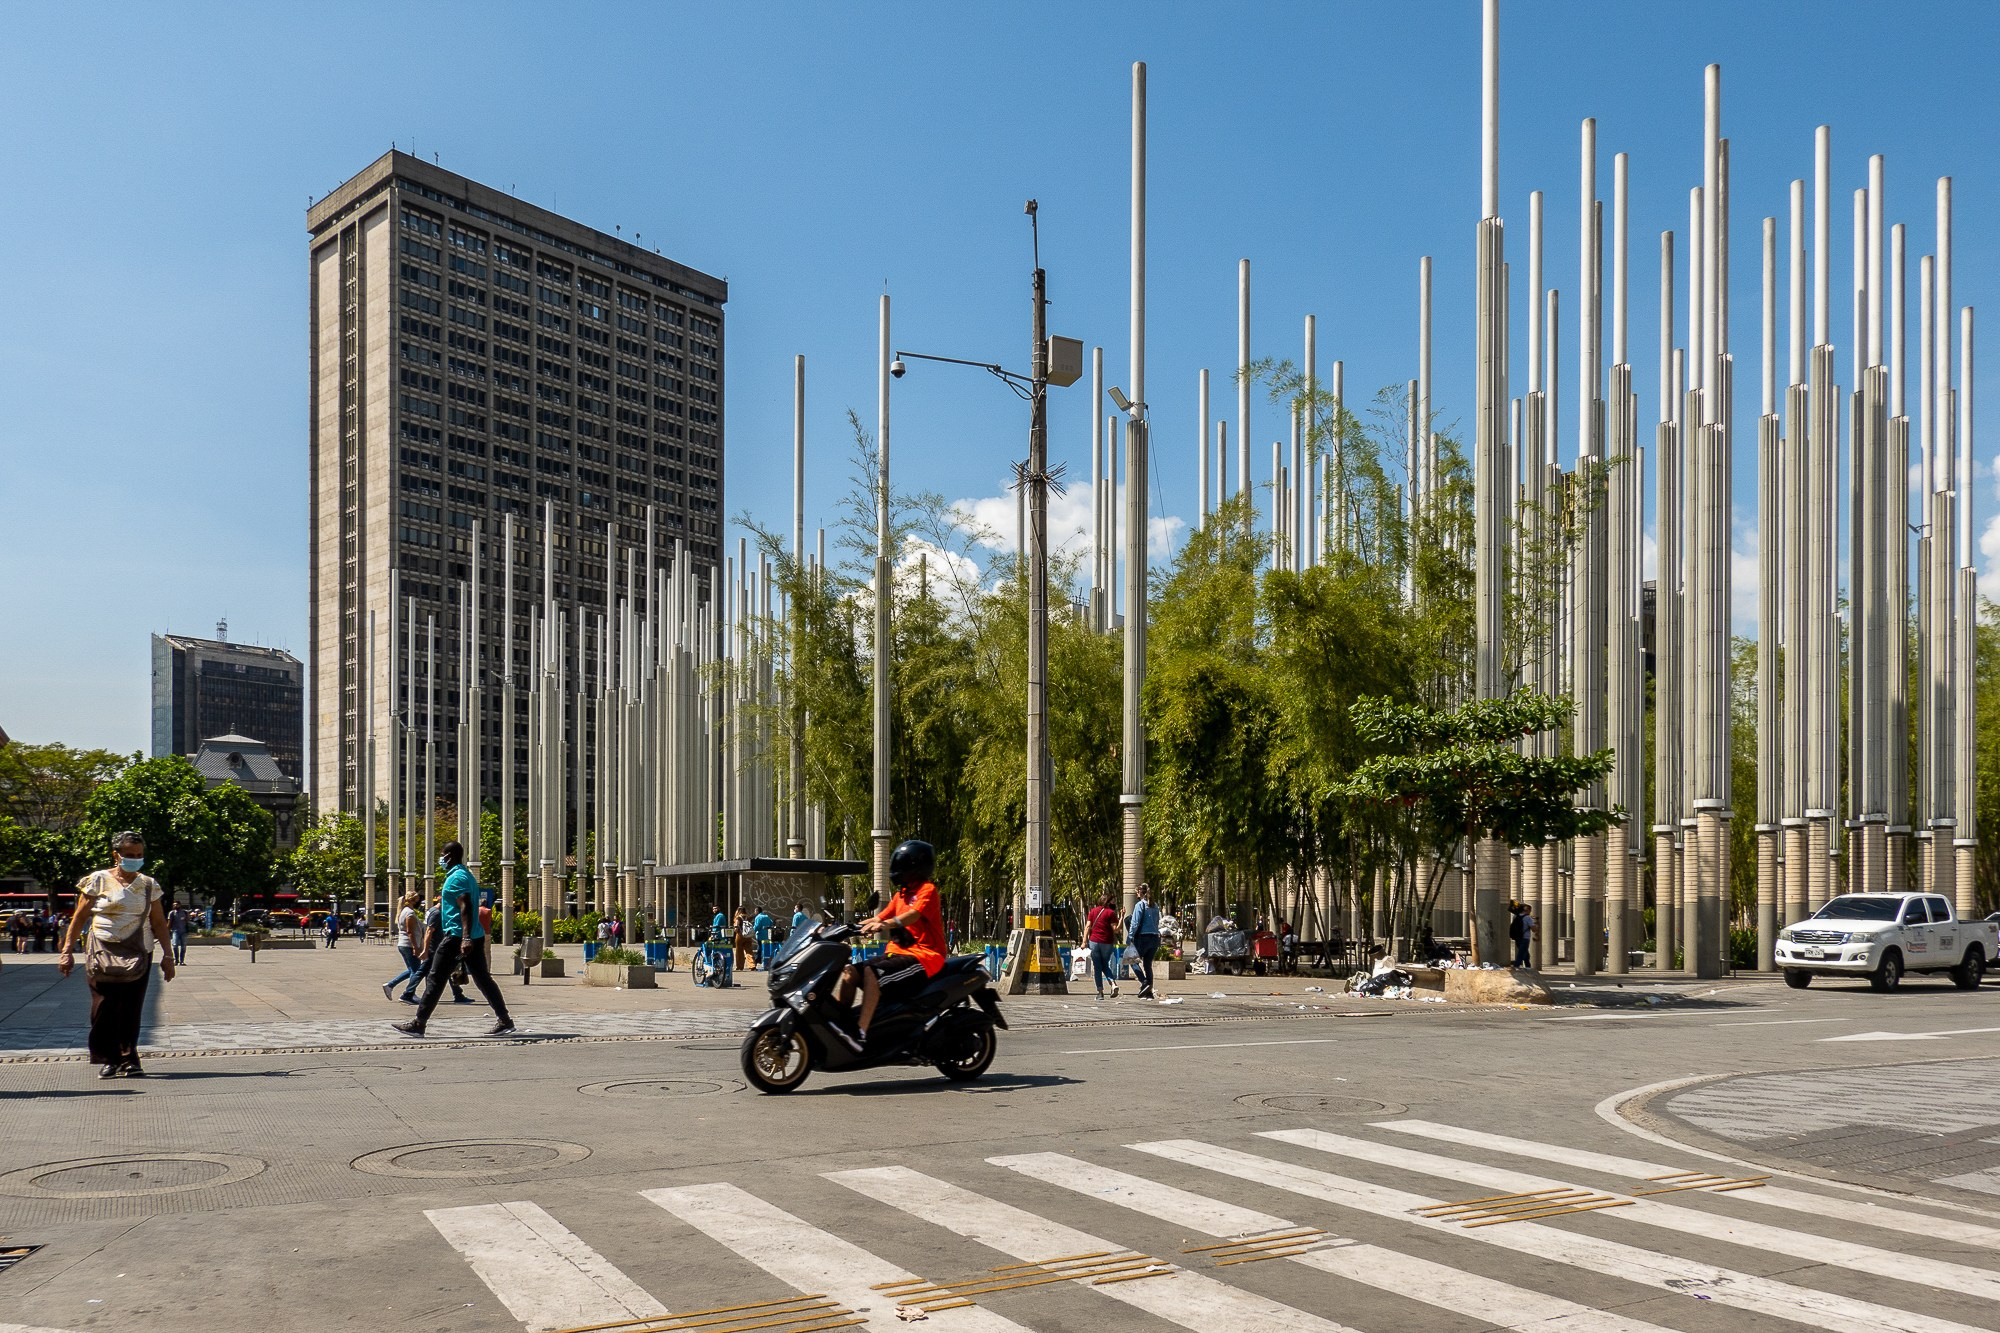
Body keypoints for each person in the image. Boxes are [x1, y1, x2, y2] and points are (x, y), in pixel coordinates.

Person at [58, 831, 175, 1078]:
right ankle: (108, 1058)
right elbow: (79, 917)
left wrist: (168, 956)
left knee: (132, 1008)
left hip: (139, 951)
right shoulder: (97, 880)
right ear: (116, 855)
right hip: (102, 950)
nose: (135, 859)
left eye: (139, 855)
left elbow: (159, 922)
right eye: (130, 855)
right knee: (104, 1007)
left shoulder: (148, 885)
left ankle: (129, 1058)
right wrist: (67, 951)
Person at [831, 839, 946, 1049]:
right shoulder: (900, 894)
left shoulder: (927, 891)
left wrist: (886, 924)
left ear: (915, 867)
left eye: (902, 865)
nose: (897, 870)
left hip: (924, 957)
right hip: (898, 954)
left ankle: (860, 1033)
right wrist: (845, 928)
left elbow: (913, 915)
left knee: (872, 974)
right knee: (849, 972)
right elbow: (878, 918)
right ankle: (838, 1023)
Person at [395, 843, 513, 1037]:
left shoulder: (457, 878)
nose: (440, 859)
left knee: (435, 978)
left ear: (449, 856)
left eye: (442, 855)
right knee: (483, 979)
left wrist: (465, 938)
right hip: (473, 935)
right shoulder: (465, 875)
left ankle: (419, 1023)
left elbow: (465, 906)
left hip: (457, 936)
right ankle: (505, 1020)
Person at [383, 889, 424, 1000]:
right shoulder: (409, 913)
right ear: (413, 900)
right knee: (416, 971)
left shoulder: (404, 911)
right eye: (418, 900)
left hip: (404, 944)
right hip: (409, 945)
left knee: (412, 969)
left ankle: (390, 985)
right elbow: (410, 932)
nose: (419, 903)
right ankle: (409, 994)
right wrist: (416, 947)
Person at [1084, 889, 1122, 1000]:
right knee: (1105, 965)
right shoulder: (1111, 913)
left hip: (1094, 942)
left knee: (1097, 967)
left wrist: (1084, 941)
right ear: (1108, 902)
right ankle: (1113, 983)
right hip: (1107, 942)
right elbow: (1116, 930)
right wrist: (1122, 917)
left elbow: (1087, 927)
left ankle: (1100, 993)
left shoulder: (1093, 911)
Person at [1127, 882, 1161, 999]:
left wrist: (1130, 936)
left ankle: (1144, 982)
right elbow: (1157, 922)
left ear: (1140, 892)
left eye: (1137, 892)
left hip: (1143, 937)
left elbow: (1135, 923)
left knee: (1132, 960)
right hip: (1154, 938)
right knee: (1147, 965)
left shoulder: (1140, 905)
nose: (1136, 894)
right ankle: (1149, 992)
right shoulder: (1155, 905)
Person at [733, 907, 756, 972]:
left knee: (739, 952)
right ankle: (752, 965)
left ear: (738, 911)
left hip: (740, 936)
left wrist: (735, 930)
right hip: (748, 936)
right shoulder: (748, 917)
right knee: (749, 951)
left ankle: (740, 966)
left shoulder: (738, 918)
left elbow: (736, 927)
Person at [167, 901, 190, 965]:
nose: (175, 906)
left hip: (183, 931)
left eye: (176, 905)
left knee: (183, 946)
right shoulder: (172, 913)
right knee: (175, 945)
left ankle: (182, 960)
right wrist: (167, 930)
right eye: (174, 905)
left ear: (180, 905)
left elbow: (188, 920)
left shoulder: (184, 912)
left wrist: (187, 917)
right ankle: (176, 960)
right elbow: (169, 922)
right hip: (175, 931)